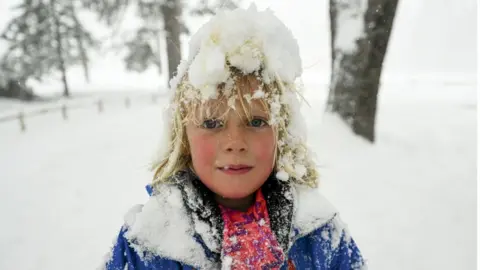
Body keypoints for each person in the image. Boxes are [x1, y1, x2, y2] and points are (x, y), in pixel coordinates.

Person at [102, 5, 367, 270]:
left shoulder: (319, 232)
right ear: (184, 140)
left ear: (280, 134)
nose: (235, 143)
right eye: (211, 123)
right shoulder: (146, 242)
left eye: (256, 121)